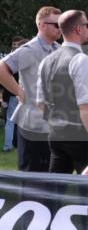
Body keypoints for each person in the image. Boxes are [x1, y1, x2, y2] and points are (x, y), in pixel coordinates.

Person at [0, 6, 62, 172]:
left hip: (54, 125)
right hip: (34, 126)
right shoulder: (30, 49)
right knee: (33, 177)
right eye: (56, 25)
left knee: (53, 177)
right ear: (42, 25)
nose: (61, 28)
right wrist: (19, 92)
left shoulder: (58, 49)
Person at [36, 10, 88, 174]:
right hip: (80, 136)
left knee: (55, 185)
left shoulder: (46, 61)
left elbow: (40, 104)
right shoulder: (80, 60)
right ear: (79, 29)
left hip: (56, 135)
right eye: (86, 25)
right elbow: (85, 107)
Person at [1, 37, 27, 152]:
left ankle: (8, 146)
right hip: (25, 94)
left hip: (14, 94)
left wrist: (5, 97)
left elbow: (7, 80)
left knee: (10, 121)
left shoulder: (13, 63)